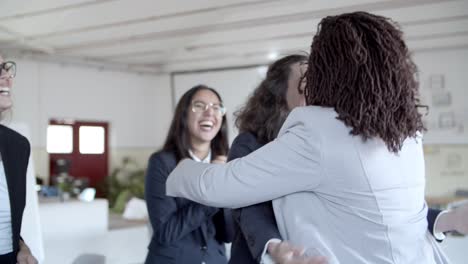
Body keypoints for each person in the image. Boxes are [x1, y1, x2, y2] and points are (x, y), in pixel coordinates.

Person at [166, 12, 457, 263]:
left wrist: (179, 170)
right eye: (303, 83)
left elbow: (222, 186)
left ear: (329, 73)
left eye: (312, 75)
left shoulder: (319, 131)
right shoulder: (406, 134)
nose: (310, 87)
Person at [228, 54, 468, 264]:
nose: (315, 95)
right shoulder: (250, 143)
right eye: (304, 88)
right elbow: (248, 206)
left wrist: (450, 219)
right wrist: (274, 246)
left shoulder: (335, 141)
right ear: (278, 98)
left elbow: (376, 206)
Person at [144, 84, 234, 264]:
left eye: (216, 107)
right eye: (200, 106)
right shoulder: (162, 163)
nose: (209, 113)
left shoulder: (229, 163)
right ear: (184, 114)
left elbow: (229, 234)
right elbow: (166, 232)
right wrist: (211, 188)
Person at [0, 56, 38, 264]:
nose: (6, 76)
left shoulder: (18, 146)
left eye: (6, 68)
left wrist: (22, 248)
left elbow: (7, 226)